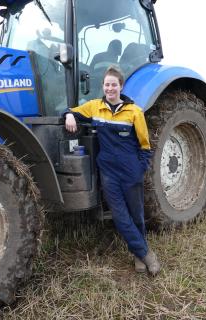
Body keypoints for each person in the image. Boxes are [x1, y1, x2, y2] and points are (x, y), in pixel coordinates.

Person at [64, 66, 161, 275]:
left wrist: (139, 169)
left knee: (136, 214)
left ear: (121, 86)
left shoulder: (134, 112)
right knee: (120, 215)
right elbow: (72, 111)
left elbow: (145, 146)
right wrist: (69, 116)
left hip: (130, 171)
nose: (110, 88)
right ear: (103, 86)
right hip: (109, 172)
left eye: (113, 85)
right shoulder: (94, 107)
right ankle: (145, 254)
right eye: (107, 85)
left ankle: (137, 254)